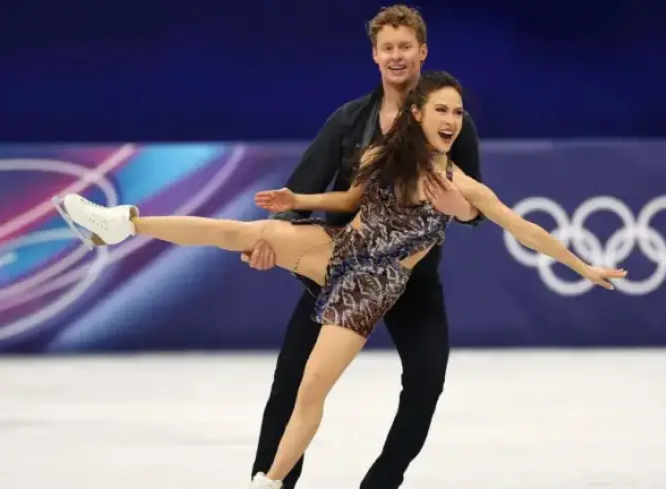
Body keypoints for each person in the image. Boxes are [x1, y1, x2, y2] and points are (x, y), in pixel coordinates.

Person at [53, 70, 627, 489]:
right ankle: (120, 224)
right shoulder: (381, 154)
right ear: (418, 115)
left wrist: (583, 266)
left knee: (311, 389)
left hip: (372, 286)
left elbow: (525, 229)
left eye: (458, 112)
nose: (453, 120)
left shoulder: (462, 186)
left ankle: (269, 482)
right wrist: (297, 201)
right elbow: (352, 199)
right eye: (442, 110)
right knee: (238, 231)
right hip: (337, 249)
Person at [244, 6, 483, 489]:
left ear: (422, 52)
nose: (397, 56)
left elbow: (475, 207)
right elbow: (299, 193)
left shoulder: (450, 120)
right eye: (387, 47)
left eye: (405, 47)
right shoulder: (350, 120)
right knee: (291, 383)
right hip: (341, 270)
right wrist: (269, 242)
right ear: (375, 55)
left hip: (410, 278)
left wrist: (462, 208)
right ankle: (270, 482)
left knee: (426, 381)